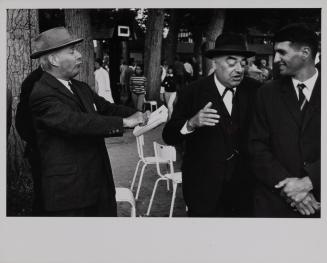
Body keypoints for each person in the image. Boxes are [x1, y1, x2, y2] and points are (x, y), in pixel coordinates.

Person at [29, 27, 148, 216]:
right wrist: (125, 122)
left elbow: (107, 108)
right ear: (53, 60)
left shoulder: (80, 87)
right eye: (72, 51)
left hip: (98, 186)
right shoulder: (41, 93)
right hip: (70, 195)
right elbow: (76, 123)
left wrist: (141, 114)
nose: (79, 56)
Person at [162, 33, 261, 217]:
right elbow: (169, 135)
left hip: (245, 192)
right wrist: (191, 123)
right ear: (215, 62)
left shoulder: (256, 91)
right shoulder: (192, 92)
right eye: (232, 63)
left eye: (243, 63)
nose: (239, 69)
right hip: (203, 191)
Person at [249, 23, 320, 217]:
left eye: (282, 52)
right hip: (275, 203)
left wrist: (310, 181)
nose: (276, 59)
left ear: (305, 52)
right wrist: (288, 188)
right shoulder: (266, 93)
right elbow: (256, 147)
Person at [15, 65, 44, 215]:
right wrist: (37, 142)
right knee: (43, 198)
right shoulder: (35, 81)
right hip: (41, 151)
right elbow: (22, 119)